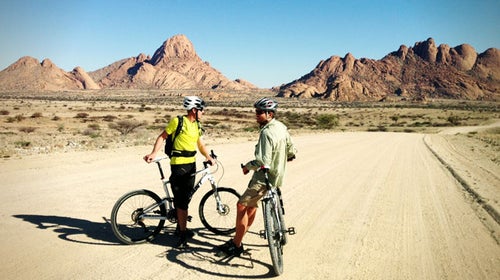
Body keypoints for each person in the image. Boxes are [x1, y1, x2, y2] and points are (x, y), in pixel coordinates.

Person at [217, 97, 296, 256]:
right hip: (278, 176)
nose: (256, 115)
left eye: (260, 112)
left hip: (263, 178)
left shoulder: (266, 132)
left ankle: (236, 244)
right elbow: (291, 150)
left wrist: (247, 166)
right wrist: (284, 157)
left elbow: (262, 161)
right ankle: (241, 235)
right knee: (251, 205)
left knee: (241, 206)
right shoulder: (281, 127)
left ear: (270, 114)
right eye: (256, 112)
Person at [144, 96, 214, 248]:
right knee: (182, 202)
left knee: (185, 199)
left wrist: (207, 156)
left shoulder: (197, 125)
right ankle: (182, 236)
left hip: (191, 164)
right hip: (178, 165)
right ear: (194, 110)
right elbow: (163, 136)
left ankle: (179, 227)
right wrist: (153, 153)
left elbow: (200, 143)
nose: (203, 112)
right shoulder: (178, 121)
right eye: (201, 110)